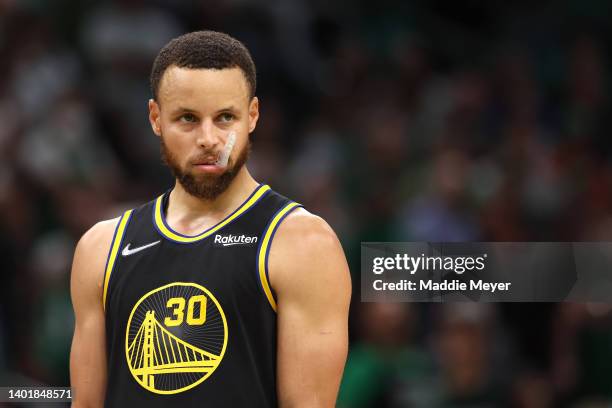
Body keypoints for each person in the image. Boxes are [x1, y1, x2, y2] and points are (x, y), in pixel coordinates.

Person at [69, 30, 351, 407]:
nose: (209, 139)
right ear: (155, 118)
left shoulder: (303, 244)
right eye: (187, 118)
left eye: (225, 118)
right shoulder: (100, 248)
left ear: (252, 116)